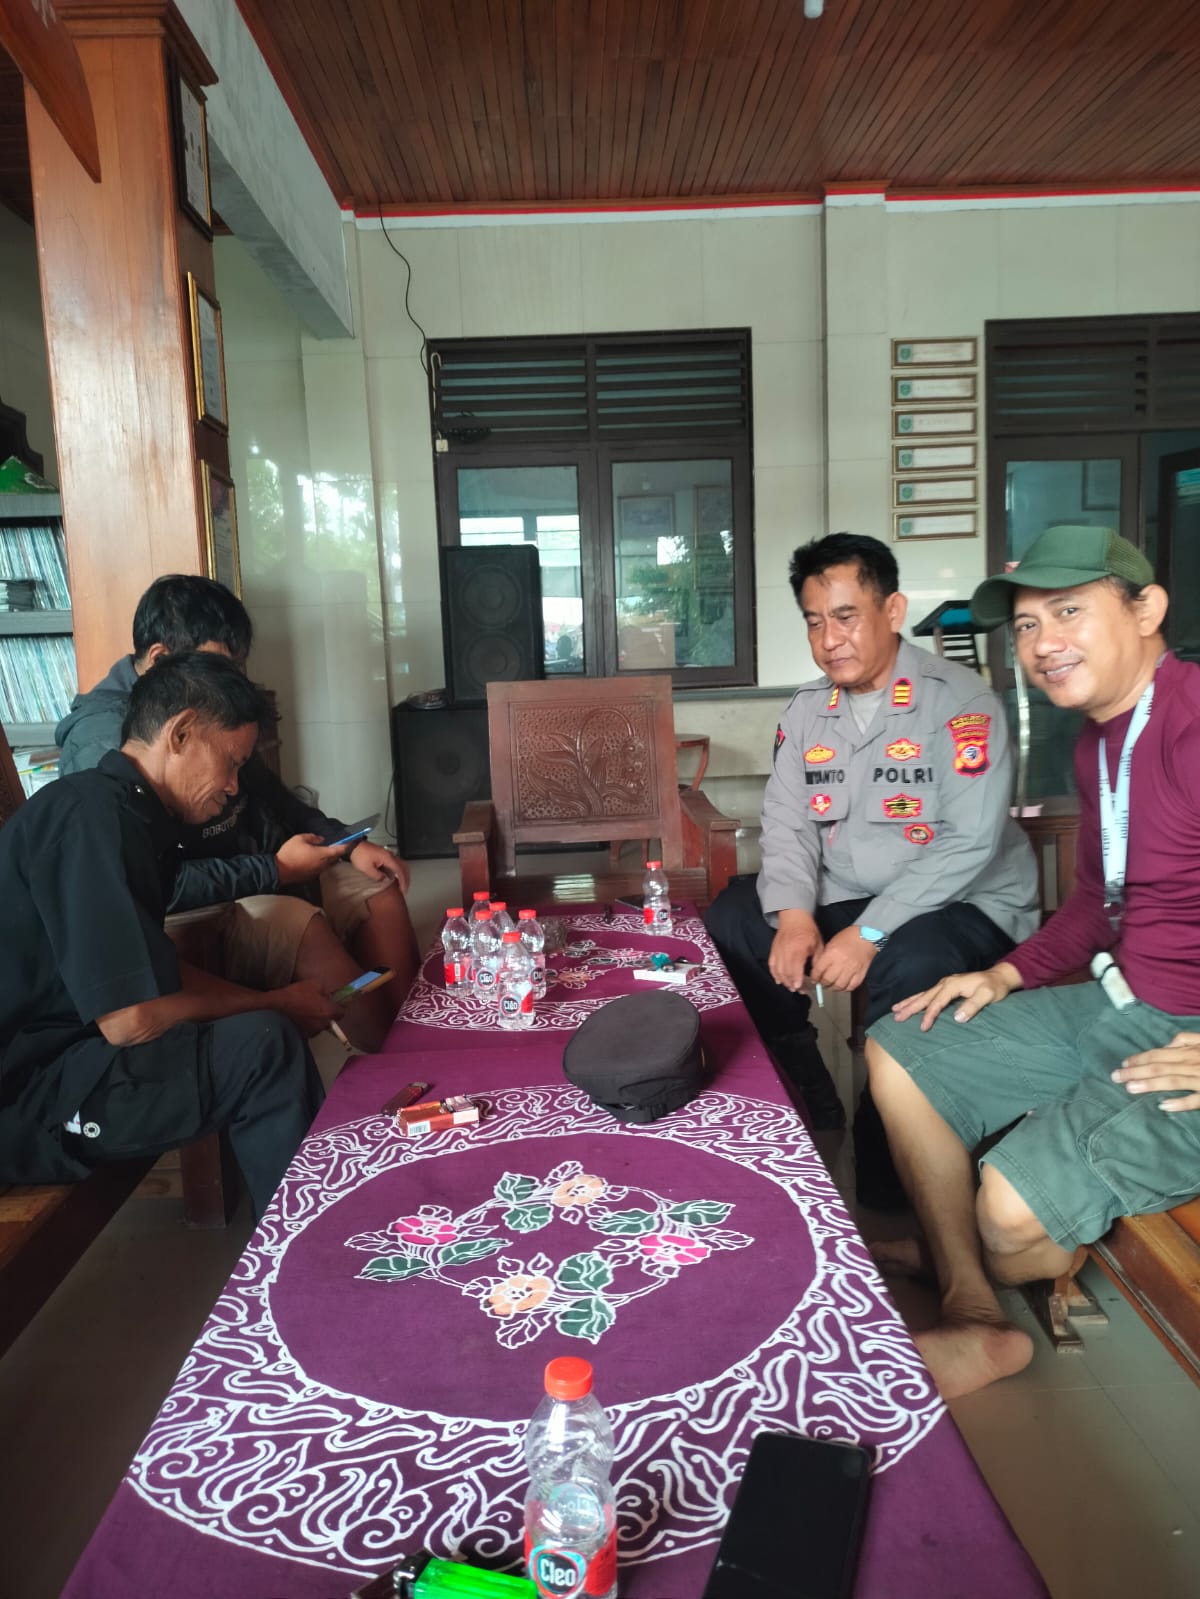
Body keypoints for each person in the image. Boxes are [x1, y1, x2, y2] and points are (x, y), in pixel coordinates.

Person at [866, 524, 1200, 1400]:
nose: (1043, 641)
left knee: (1010, 1216)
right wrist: (1004, 975)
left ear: (1147, 610)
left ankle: (976, 1254)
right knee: (902, 1041)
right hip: (1119, 1004)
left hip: (1188, 1043)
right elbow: (1095, 899)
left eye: (1069, 611)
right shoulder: (1099, 741)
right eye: (1024, 624)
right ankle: (971, 1303)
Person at [704, 533, 1038, 1208]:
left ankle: (886, 1170)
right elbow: (787, 821)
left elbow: (969, 842)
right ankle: (804, 1092)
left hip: (961, 901)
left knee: (912, 966)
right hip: (852, 888)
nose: (830, 639)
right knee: (735, 921)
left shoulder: (960, 702)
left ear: (892, 610)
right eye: (814, 621)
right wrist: (795, 915)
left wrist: (869, 932)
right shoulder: (806, 711)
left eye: (846, 616)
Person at [1, 652, 332, 1219]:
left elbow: (150, 973)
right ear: (180, 734)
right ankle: (306, 1253)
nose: (232, 787)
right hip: (31, 1092)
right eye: (231, 763)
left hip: (72, 1058)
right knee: (263, 1048)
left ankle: (313, 1227)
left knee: (262, 1027)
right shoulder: (91, 818)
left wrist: (272, 999)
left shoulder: (125, 813)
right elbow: (130, 1018)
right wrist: (272, 1006)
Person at [55, 575, 419, 1049]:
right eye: (217, 666)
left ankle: (417, 1038)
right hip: (205, 895)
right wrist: (274, 870)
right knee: (300, 926)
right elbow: (157, 885)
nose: (231, 784)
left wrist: (343, 843)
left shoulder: (208, 711)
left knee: (376, 888)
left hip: (256, 865)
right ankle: (382, 1063)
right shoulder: (111, 752)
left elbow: (269, 791)